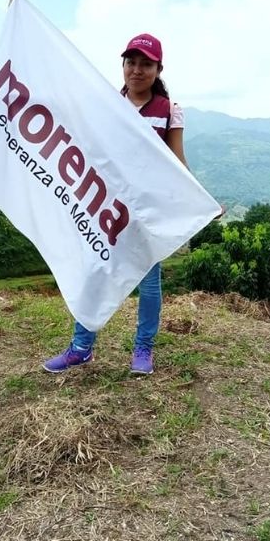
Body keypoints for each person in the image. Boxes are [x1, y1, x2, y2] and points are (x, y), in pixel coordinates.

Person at [43, 33, 199, 376]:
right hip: (105, 207)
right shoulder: (107, 104)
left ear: (158, 69)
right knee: (94, 274)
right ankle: (81, 348)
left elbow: (177, 162)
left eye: (146, 64)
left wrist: (201, 199)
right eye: (131, 62)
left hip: (146, 213)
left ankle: (143, 349)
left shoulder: (169, 110)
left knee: (149, 280)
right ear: (123, 66)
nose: (137, 70)